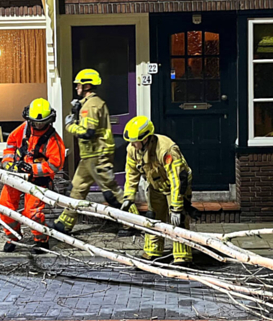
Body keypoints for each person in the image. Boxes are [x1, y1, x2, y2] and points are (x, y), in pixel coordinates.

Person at [53, 69, 123, 235]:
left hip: (97, 155)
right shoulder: (88, 103)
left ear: (87, 85)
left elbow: (88, 132)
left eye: (79, 84)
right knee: (76, 189)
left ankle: (133, 222)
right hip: (88, 156)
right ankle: (65, 222)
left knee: (112, 193)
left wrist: (70, 125)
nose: (76, 87)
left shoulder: (91, 105)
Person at [120, 116, 193, 266]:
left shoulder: (166, 149)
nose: (133, 145)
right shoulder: (133, 150)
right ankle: (153, 251)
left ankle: (182, 256)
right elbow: (131, 174)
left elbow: (177, 180)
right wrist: (128, 197)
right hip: (155, 186)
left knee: (178, 221)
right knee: (153, 218)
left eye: (135, 141)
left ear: (146, 139)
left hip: (178, 187)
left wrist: (176, 208)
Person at [0, 98, 66, 254]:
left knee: (32, 213)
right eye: (34, 122)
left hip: (38, 180)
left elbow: (56, 164)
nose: (38, 125)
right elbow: (10, 146)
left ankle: (40, 240)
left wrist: (33, 169)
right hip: (17, 175)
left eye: (42, 123)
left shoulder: (53, 139)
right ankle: (13, 237)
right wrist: (8, 163)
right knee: (4, 206)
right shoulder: (22, 130)